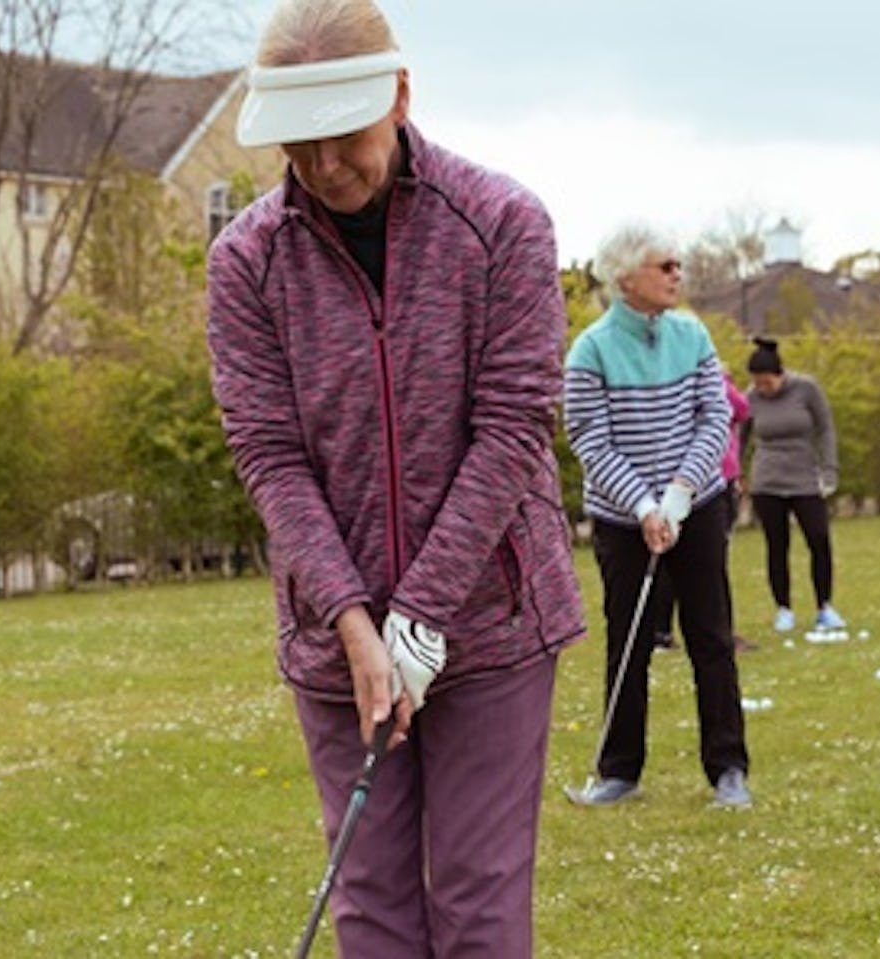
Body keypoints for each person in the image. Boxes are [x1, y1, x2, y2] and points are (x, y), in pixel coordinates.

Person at [205, 1, 585, 953]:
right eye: (300, 147)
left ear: (400, 96)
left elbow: (512, 428)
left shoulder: (502, 224)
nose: (326, 169)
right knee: (369, 902)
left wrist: (419, 613)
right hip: (333, 632)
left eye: (345, 140)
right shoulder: (248, 261)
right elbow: (269, 451)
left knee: (478, 902)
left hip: (493, 619)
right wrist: (354, 621)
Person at [563, 223, 751, 809]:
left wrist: (678, 494)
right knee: (630, 642)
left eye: (677, 264)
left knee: (711, 637)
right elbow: (590, 441)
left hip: (695, 505)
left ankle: (728, 770)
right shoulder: (590, 349)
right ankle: (619, 772)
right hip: (623, 520)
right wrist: (644, 507)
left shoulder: (692, 334)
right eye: (664, 266)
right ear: (625, 277)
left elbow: (714, 418)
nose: (677, 275)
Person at [741, 336, 847, 633]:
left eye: (766, 383)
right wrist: (735, 472)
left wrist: (829, 470)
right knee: (777, 545)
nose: (762, 388)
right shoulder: (751, 397)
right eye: (757, 383)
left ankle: (824, 606)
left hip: (804, 478)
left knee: (818, 540)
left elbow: (826, 429)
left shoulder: (807, 389)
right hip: (767, 481)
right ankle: (783, 608)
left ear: (779, 374)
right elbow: (739, 436)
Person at [650, 365, 757, 652]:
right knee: (704, 565)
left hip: (713, 478)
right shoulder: (706, 382)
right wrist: (719, 376)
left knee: (681, 561)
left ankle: (664, 631)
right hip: (708, 482)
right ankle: (704, 632)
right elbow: (740, 407)